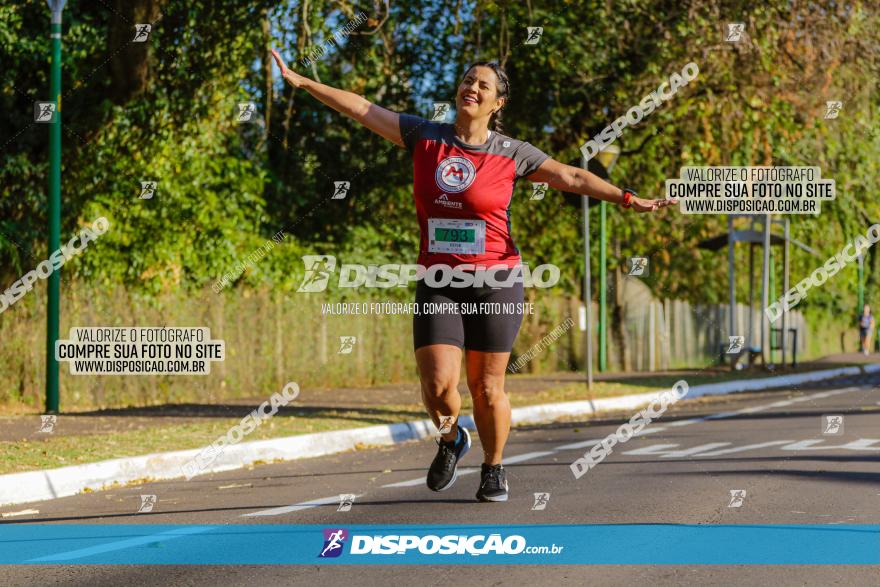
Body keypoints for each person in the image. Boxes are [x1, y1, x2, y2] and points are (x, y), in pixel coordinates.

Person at [271, 50, 674, 502]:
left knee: (486, 387)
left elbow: (573, 177)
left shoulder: (513, 153)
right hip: (439, 281)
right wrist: (305, 84)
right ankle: (450, 439)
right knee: (439, 387)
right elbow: (362, 108)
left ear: (497, 103)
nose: (473, 88)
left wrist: (627, 198)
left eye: (484, 85)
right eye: (468, 80)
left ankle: (494, 466)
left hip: (496, 282)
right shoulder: (425, 137)